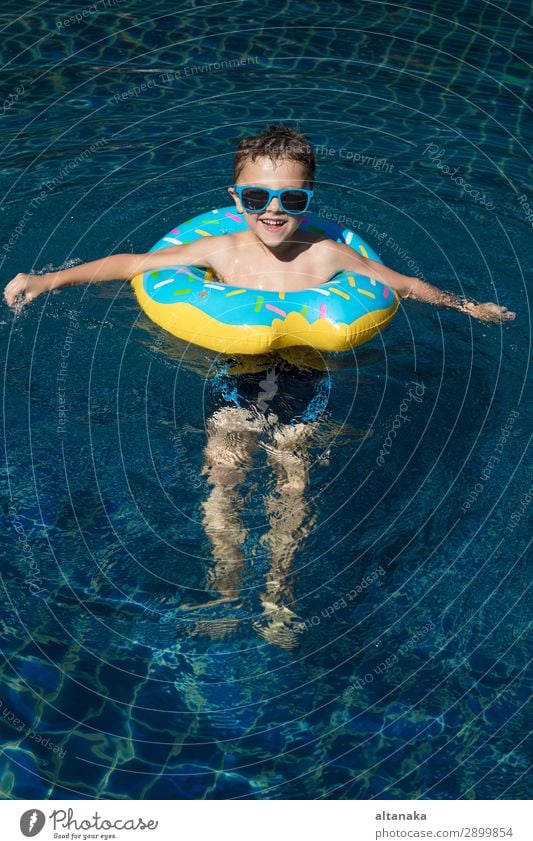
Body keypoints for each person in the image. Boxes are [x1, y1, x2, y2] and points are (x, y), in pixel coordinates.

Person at [2, 124, 516, 648]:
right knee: (225, 476)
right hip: (236, 376)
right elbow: (133, 264)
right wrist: (45, 281)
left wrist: (465, 306)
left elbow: (401, 284)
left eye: (292, 197)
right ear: (236, 198)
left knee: (293, 481)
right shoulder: (223, 251)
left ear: (309, 198)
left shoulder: (326, 255)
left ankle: (278, 591)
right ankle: (226, 587)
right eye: (256, 196)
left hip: (306, 377)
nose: (274, 210)